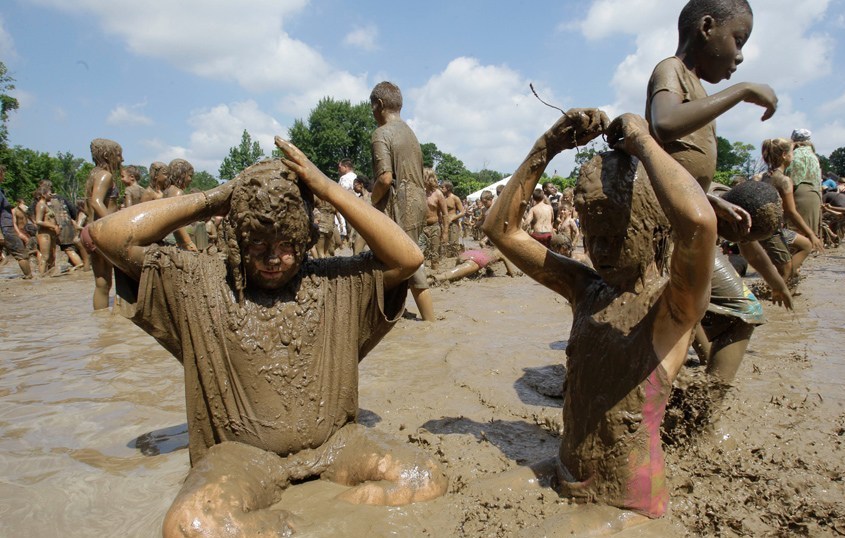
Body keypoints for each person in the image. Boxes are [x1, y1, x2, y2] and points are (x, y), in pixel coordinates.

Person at [87, 140, 447, 536]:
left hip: (336, 444)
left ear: (304, 240)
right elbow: (108, 235)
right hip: (242, 457)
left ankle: (326, 521)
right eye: (257, 244)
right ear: (237, 240)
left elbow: (409, 258)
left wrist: (327, 189)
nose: (273, 258)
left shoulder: (335, 282)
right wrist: (216, 199)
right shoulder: (200, 282)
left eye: (286, 245)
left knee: (425, 477)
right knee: (191, 525)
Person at [485, 110, 716, 518]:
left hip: (626, 503)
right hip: (565, 471)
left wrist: (643, 142)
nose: (601, 249)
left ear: (655, 230)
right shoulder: (585, 288)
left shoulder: (673, 307)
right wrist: (547, 146)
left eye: (616, 235)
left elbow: (697, 223)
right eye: (592, 235)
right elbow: (501, 230)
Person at [646, 0, 791, 384]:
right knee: (720, 312)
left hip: (692, 227)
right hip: (666, 231)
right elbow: (664, 124)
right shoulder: (671, 70)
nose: (739, 56)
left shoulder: (696, 88)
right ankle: (695, 411)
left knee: (723, 314)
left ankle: (698, 403)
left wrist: (711, 198)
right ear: (707, 27)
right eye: (738, 40)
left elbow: (679, 167)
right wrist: (742, 91)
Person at [369, 81, 434, 321]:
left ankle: (430, 321)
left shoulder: (381, 134)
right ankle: (397, 311)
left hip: (401, 202)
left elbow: (385, 179)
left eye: (372, 107)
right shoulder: (410, 133)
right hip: (417, 201)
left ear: (379, 104)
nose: (372, 113)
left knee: (407, 261)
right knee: (406, 257)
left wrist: (369, 202)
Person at [759, 138, 822, 280]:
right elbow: (791, 212)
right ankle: (784, 280)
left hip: (764, 228)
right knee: (806, 245)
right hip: (774, 231)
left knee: (791, 254)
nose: (793, 156)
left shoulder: (764, 176)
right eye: (792, 153)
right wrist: (811, 233)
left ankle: (785, 278)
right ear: (784, 156)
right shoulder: (784, 180)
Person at [83, 138, 122, 309]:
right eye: (119, 155)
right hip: (102, 233)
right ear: (107, 155)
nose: (121, 159)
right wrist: (114, 225)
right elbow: (96, 202)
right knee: (113, 282)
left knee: (102, 284)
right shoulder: (105, 176)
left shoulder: (93, 175)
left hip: (91, 230)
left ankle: (102, 327)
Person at [785, 128, 823, 238]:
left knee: (795, 236)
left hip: (798, 195)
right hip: (814, 196)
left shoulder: (794, 155)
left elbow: (791, 179)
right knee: (808, 236)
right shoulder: (813, 156)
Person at [0, 165, 34, 279]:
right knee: (21, 253)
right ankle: (29, 277)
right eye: (3, 173)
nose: (4, 176)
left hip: (6, 227)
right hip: (6, 228)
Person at [431, 246, 518, 283]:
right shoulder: (503, 253)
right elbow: (512, 273)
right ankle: (426, 282)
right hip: (474, 261)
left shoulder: (489, 249)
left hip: (467, 254)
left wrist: (489, 271)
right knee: (445, 276)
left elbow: (487, 261)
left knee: (454, 278)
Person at [164, 158, 198, 252]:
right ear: (182, 174)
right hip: (175, 241)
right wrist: (188, 243)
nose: (190, 179)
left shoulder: (167, 191)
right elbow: (177, 222)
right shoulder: (177, 193)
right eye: (190, 176)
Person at [421, 168, 448, 270]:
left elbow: (445, 214)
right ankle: (421, 278)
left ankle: (435, 277)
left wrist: (445, 233)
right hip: (421, 227)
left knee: (434, 255)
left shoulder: (438, 194)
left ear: (429, 178)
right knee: (419, 253)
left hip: (434, 227)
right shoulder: (419, 192)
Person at [34, 184, 59, 276]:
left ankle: (50, 276)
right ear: (43, 195)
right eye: (49, 194)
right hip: (44, 233)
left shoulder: (46, 205)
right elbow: (38, 221)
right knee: (45, 256)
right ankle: (41, 276)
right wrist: (53, 226)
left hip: (50, 233)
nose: (51, 195)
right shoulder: (40, 205)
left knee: (52, 256)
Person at [441, 180, 465, 257]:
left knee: (454, 245)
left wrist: (453, 217)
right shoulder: (442, 198)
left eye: (443, 187)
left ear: (448, 188)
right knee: (444, 244)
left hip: (453, 224)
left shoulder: (455, 198)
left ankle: (455, 261)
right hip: (444, 224)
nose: (441, 189)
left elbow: (462, 212)